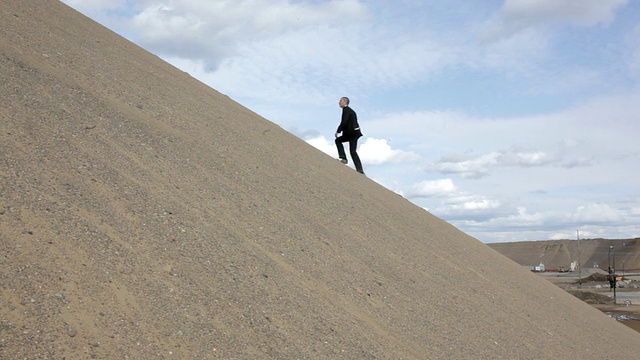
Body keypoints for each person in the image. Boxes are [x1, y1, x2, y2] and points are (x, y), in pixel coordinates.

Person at [335, 96, 364, 174]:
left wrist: (338, 131)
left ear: (345, 102)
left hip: (352, 133)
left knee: (338, 140)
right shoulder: (348, 110)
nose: (339, 102)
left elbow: (344, 122)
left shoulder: (347, 110)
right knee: (353, 151)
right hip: (353, 133)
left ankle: (343, 158)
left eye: (340, 101)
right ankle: (360, 171)